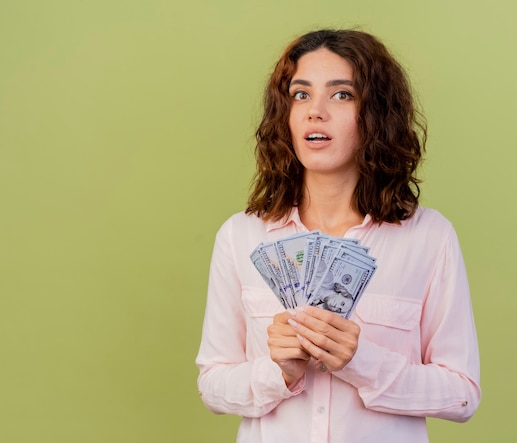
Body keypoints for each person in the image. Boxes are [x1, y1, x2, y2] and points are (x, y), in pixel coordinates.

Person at [196, 29, 481, 443]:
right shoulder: (241, 236)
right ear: (286, 115)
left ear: (376, 113)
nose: (316, 112)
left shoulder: (429, 237)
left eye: (341, 94)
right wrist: (278, 373)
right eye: (301, 95)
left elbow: (462, 394)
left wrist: (361, 361)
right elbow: (213, 385)